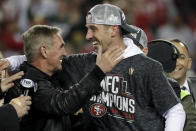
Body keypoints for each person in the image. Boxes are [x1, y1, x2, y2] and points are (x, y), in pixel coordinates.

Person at [0, 4, 185, 131]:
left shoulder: (146, 66)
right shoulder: (86, 62)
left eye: (93, 29)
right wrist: (14, 60)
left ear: (113, 29)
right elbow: (43, 60)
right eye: (87, 28)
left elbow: (175, 111)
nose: (87, 35)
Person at [3, 25, 123, 131]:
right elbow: (63, 104)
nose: (65, 53)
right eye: (61, 47)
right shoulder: (27, 85)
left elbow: (86, 60)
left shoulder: (51, 74)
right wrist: (98, 72)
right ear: (44, 51)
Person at [168, 39, 196, 131]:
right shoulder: (154, 91)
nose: (176, 63)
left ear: (189, 63)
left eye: (181, 57)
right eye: (172, 58)